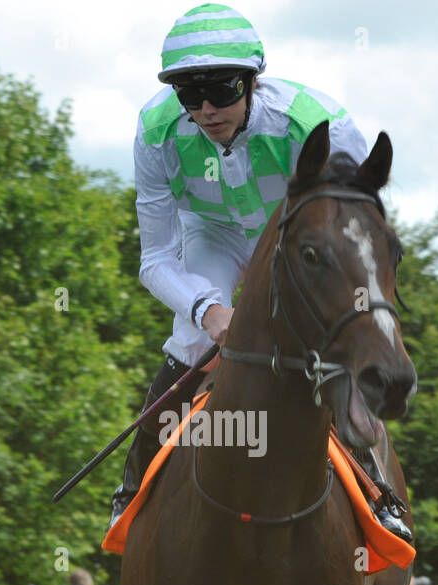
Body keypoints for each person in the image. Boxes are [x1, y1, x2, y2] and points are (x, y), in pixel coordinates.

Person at [108, 4, 412, 544]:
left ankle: (374, 482)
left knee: (333, 333)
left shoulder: (320, 122)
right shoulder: (154, 132)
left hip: (301, 240)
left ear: (252, 81)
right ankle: (135, 487)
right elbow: (155, 260)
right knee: (190, 333)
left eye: (221, 90)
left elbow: (362, 226)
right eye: (187, 94)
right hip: (212, 234)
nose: (204, 109)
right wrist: (209, 310)